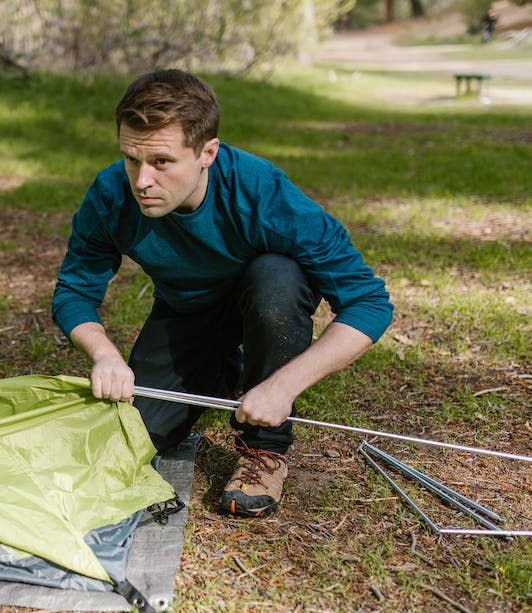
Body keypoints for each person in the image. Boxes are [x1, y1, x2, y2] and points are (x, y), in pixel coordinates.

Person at [51, 69, 393, 518]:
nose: (141, 180)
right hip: (188, 311)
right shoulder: (111, 196)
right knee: (131, 439)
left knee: (276, 277)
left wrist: (283, 385)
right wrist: (104, 356)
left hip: (268, 295)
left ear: (207, 152)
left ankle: (264, 449)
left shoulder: (263, 193)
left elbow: (368, 304)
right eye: (132, 159)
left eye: (162, 161)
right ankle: (222, 367)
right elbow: (73, 291)